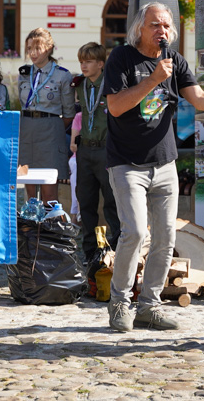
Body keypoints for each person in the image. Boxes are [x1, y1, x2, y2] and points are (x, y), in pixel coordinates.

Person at [104, 2, 204, 332]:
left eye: (167, 26)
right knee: (134, 233)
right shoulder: (122, 59)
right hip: (127, 164)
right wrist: (154, 79)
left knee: (166, 236)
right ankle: (119, 303)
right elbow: (115, 107)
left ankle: (150, 306)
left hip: (165, 164)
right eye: (155, 25)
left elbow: (198, 97)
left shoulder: (176, 62)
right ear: (139, 29)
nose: (163, 31)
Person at [71, 42, 120, 262]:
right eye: (82, 61)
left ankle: (119, 249)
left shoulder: (111, 84)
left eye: (89, 61)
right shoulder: (80, 86)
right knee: (86, 201)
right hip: (85, 151)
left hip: (106, 150)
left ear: (101, 64)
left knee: (111, 202)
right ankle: (89, 251)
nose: (84, 65)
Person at [18, 28, 75, 202]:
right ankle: (30, 226)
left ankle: (48, 228)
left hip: (50, 133)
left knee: (49, 192)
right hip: (27, 132)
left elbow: (69, 113)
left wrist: (50, 126)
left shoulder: (62, 75)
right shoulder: (24, 74)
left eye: (38, 48)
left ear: (49, 48)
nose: (33, 54)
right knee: (28, 187)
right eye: (29, 49)